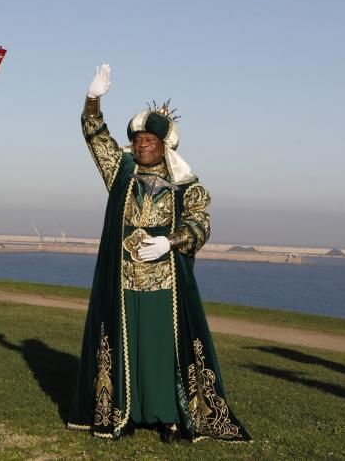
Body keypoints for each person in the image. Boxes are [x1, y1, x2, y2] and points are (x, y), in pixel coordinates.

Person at [67, 64, 250, 443]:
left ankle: (168, 417)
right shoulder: (120, 171)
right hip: (123, 280)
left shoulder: (187, 186)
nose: (141, 146)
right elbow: (96, 137)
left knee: (163, 348)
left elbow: (201, 224)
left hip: (165, 280)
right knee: (127, 345)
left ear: (164, 145)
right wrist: (93, 99)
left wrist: (172, 241)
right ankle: (126, 414)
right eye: (137, 141)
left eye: (149, 141)